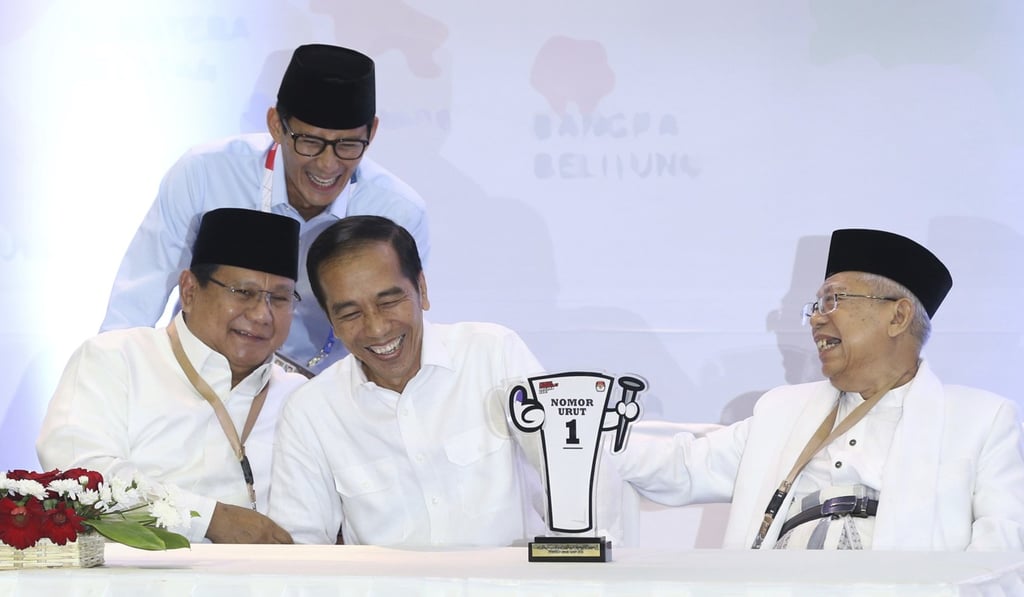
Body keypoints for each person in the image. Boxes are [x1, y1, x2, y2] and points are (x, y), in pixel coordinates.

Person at [615, 228, 1024, 550]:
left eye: (833, 301)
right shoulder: (782, 411)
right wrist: (577, 432)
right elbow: (683, 466)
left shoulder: (979, 421)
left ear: (898, 316)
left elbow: (1000, 555)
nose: (815, 320)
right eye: (816, 306)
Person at [100, 43, 430, 375]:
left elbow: (396, 330)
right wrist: (108, 386)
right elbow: (136, 301)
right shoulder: (205, 173)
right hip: (201, 377)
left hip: (323, 393)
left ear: (371, 133)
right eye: (310, 143)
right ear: (276, 125)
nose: (328, 165)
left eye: (348, 145)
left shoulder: (397, 212)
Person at [268, 215, 546, 546]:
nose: (377, 328)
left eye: (388, 302)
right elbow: (302, 545)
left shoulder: (493, 354)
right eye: (350, 313)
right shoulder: (311, 410)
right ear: (331, 320)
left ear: (422, 290)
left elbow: (571, 473)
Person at [38, 208, 308, 544]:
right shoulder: (116, 359)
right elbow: (79, 477)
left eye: (279, 298)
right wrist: (209, 519)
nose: (261, 314)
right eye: (243, 293)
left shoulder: (301, 397)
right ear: (190, 290)